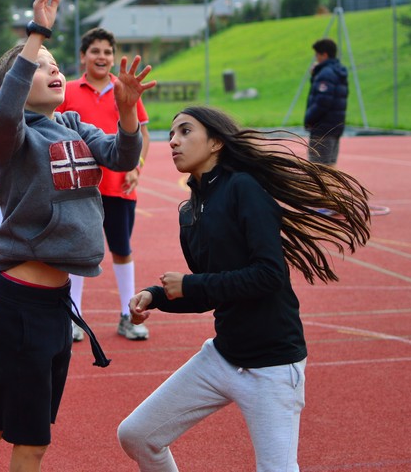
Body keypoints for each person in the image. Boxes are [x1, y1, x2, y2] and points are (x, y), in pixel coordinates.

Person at [0, 0, 151, 472]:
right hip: (19, 306)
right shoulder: (4, 136)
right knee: (30, 442)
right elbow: (6, 108)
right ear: (16, 84)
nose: (55, 70)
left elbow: (121, 157)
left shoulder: (73, 125)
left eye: (56, 65)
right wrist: (37, 32)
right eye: (41, 66)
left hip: (55, 305)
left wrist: (127, 115)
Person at [117, 106, 371, 472]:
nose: (173, 141)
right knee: (138, 435)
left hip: (273, 365)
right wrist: (156, 297)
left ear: (216, 142)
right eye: (171, 135)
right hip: (223, 357)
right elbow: (210, 293)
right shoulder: (190, 212)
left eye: (185, 131)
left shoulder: (244, 189)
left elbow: (269, 275)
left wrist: (189, 284)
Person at [57, 27, 152, 342]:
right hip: (77, 188)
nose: (102, 56)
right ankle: (73, 318)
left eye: (107, 52)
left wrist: (137, 166)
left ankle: (128, 315)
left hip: (118, 186)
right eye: (95, 51)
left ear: (113, 57)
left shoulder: (124, 89)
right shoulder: (68, 90)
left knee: (121, 250)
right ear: (83, 56)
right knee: (76, 252)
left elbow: (142, 135)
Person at [304, 38, 348, 167]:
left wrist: (309, 119)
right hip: (335, 126)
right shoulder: (339, 71)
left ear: (324, 55)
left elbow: (322, 102)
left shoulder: (325, 74)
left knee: (318, 169)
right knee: (330, 167)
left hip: (322, 129)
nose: (316, 58)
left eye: (317, 54)